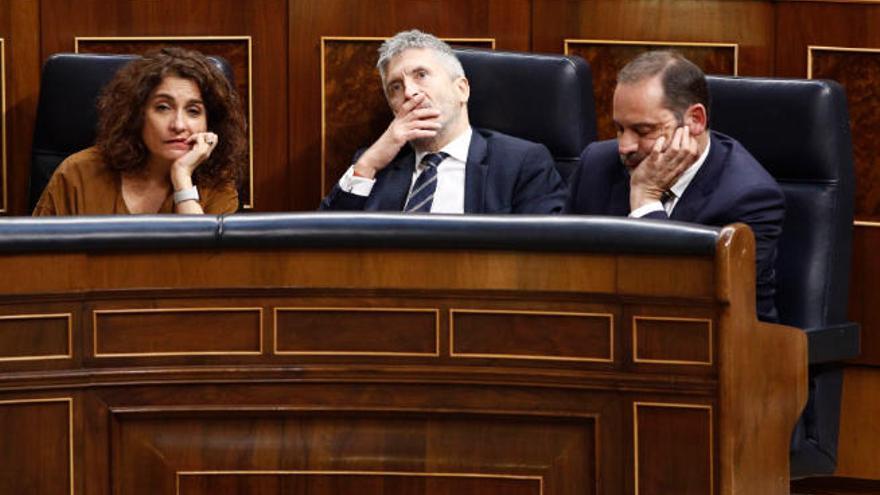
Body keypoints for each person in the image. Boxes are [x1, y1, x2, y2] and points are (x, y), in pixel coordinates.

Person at [566, 51, 784, 322]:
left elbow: (685, 302)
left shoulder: (750, 197)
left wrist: (646, 200)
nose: (625, 146)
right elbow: (564, 274)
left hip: (719, 346)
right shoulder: (596, 165)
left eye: (643, 131)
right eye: (619, 129)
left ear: (694, 120)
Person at [320, 29, 566, 214]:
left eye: (421, 75)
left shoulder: (520, 162)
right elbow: (325, 248)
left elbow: (545, 257)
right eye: (395, 86)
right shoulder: (375, 167)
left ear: (462, 89)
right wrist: (368, 164)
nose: (409, 93)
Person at [33, 46, 246, 215]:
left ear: (209, 122)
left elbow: (204, 265)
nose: (179, 125)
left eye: (193, 111)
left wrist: (182, 177)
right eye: (163, 107)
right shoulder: (77, 174)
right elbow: (38, 263)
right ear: (137, 114)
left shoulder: (216, 185)